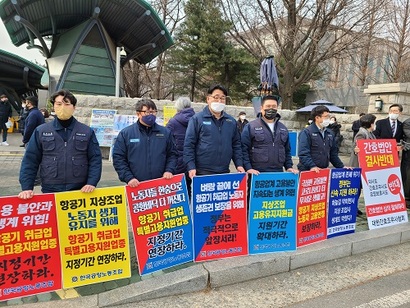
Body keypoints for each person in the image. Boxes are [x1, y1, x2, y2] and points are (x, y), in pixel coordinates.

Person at [18, 89, 102, 199]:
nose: (63, 107)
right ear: (53, 106)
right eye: (59, 104)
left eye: (67, 104)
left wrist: (91, 182)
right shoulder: (41, 131)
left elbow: (95, 159)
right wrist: (27, 188)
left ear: (74, 107)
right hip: (50, 188)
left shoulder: (86, 131)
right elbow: (30, 160)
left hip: (80, 189)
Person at [113, 98, 178, 187]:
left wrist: (169, 170)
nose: (150, 115)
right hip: (136, 185)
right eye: (147, 112)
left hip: (161, 185)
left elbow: (173, 154)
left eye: (153, 112)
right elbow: (118, 158)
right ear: (138, 114)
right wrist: (129, 178)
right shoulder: (126, 134)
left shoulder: (165, 133)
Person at [184, 84, 245, 177]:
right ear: (208, 99)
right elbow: (189, 145)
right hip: (202, 172)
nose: (219, 101)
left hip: (224, 171)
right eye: (216, 97)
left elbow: (236, 144)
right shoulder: (197, 119)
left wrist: (239, 164)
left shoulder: (231, 121)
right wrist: (191, 166)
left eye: (222, 98)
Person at [241, 95, 298, 174]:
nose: (271, 109)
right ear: (261, 108)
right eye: (268, 106)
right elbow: (244, 149)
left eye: (274, 106)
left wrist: (289, 167)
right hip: (257, 173)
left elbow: (286, 150)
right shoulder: (251, 126)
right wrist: (248, 168)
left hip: (278, 172)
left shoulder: (283, 128)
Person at [297, 105, 345, 172]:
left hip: (323, 170)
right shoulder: (307, 132)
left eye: (329, 116)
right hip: (308, 170)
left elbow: (333, 154)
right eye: (326, 117)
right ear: (317, 118)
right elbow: (303, 153)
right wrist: (312, 166)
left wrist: (342, 167)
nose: (328, 119)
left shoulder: (330, 133)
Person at [166, 96, 195, 175]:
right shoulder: (197, 119)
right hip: (194, 162)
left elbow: (166, 142)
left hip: (178, 162)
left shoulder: (172, 122)